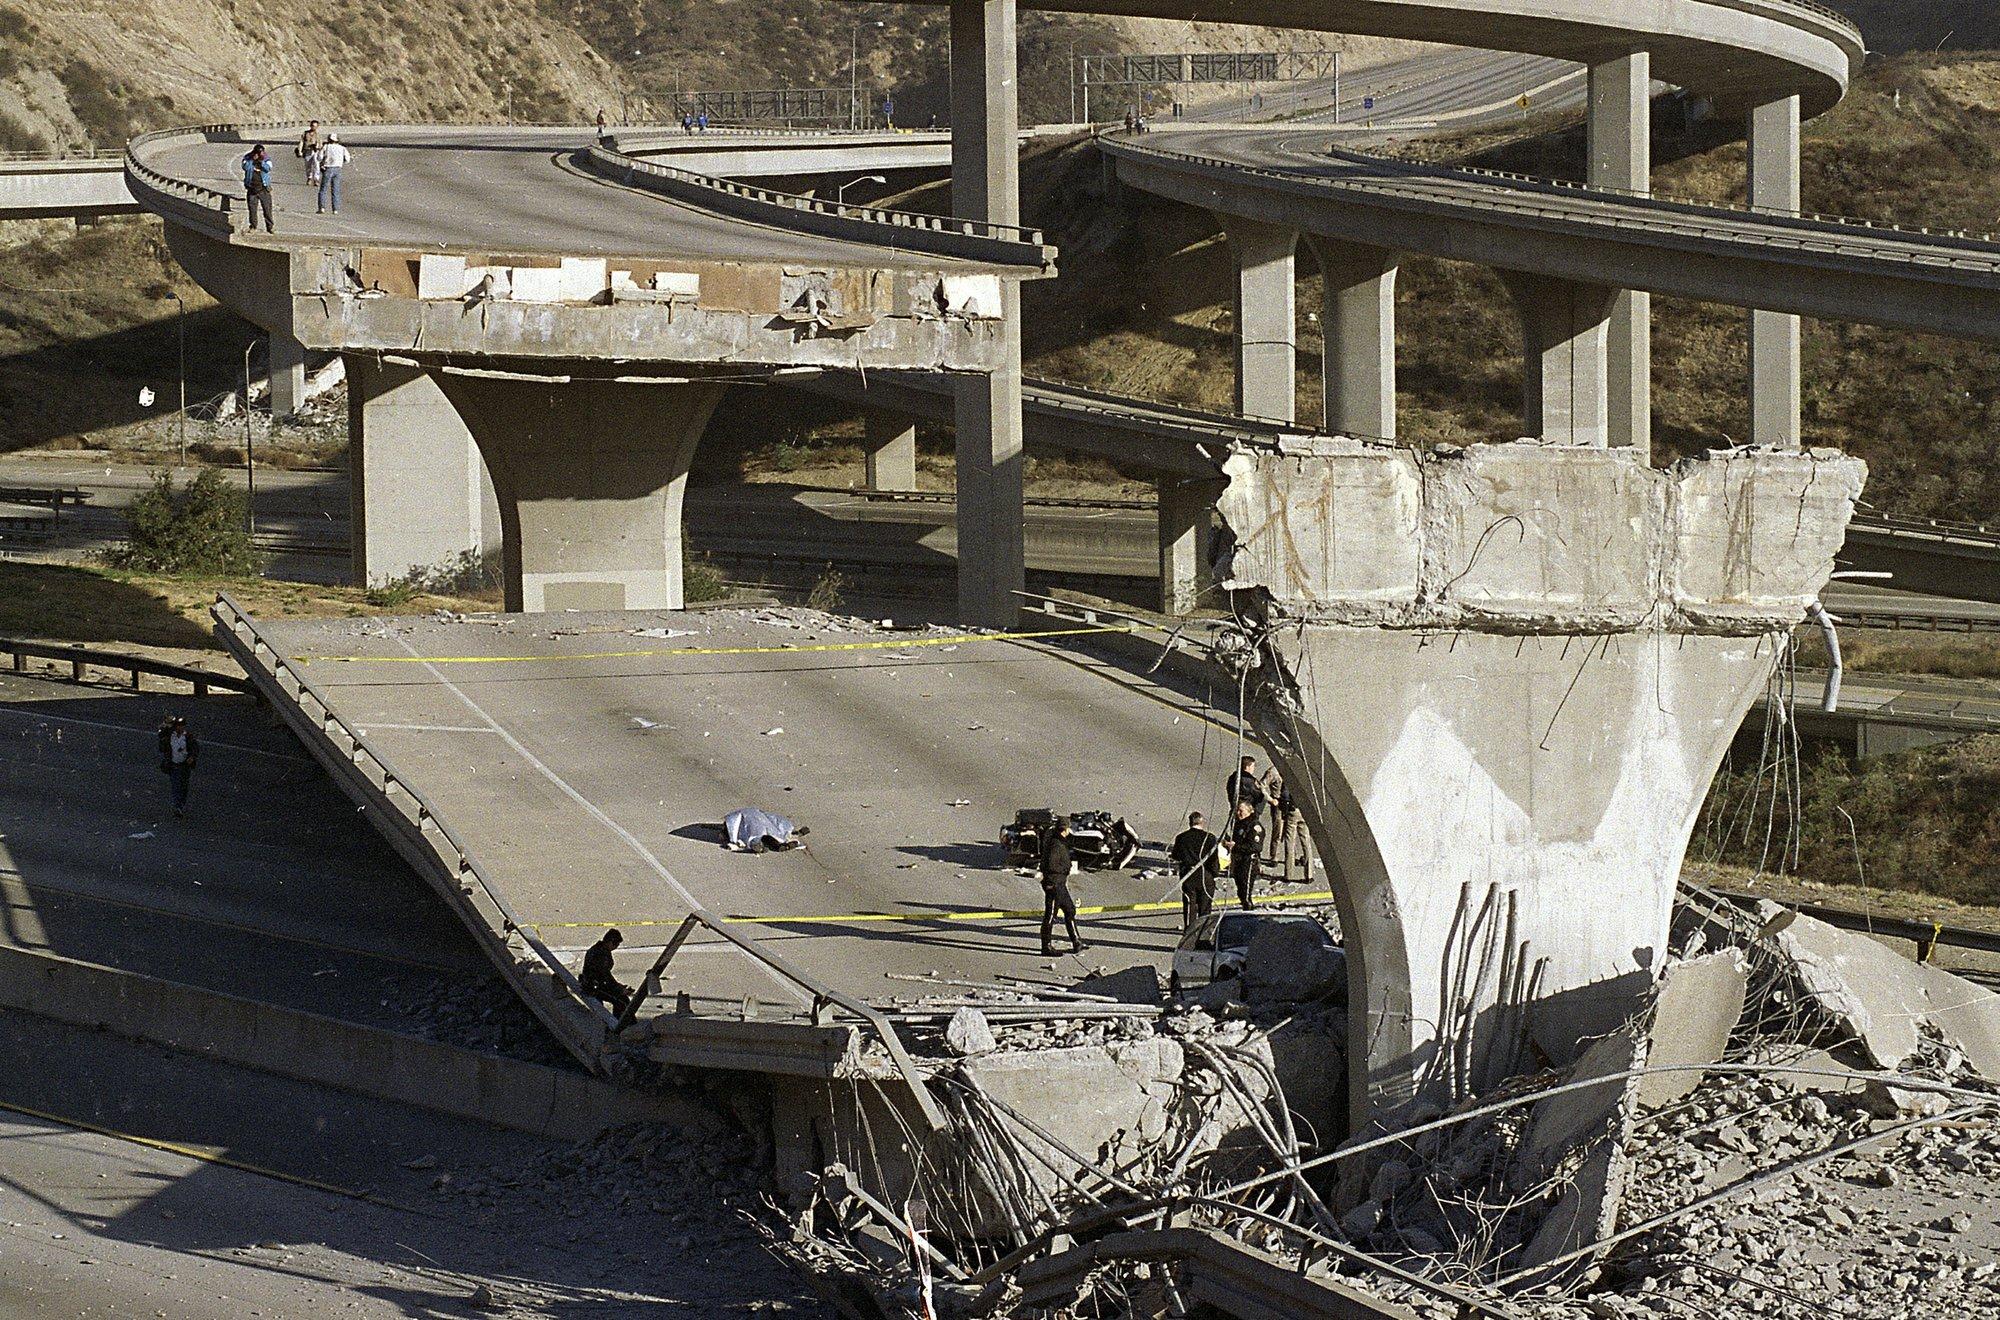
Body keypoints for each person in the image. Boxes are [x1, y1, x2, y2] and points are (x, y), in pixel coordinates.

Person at [1039, 817, 1087, 957]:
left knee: (1070, 910)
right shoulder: (1055, 844)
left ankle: (1077, 941)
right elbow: (1049, 865)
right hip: (1054, 883)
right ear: (1065, 829)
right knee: (1050, 915)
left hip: (1059, 883)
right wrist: (1064, 869)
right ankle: (1046, 947)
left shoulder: (1058, 841)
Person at [1170, 811, 1221, 929]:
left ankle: (1189, 931)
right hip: (1205, 874)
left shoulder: (1181, 837)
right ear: (1202, 823)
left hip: (1188, 874)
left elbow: (1176, 855)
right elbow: (1214, 859)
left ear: (1190, 823)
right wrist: (1214, 874)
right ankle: (1203, 931)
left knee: (1189, 906)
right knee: (1205, 906)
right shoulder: (1210, 838)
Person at [580, 928, 632, 1017]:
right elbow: (605, 975)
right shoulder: (600, 954)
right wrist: (619, 989)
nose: (616, 947)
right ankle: (617, 1025)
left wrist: (618, 986)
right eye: (616, 944)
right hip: (594, 987)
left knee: (622, 999)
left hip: (597, 983)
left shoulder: (601, 949)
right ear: (610, 942)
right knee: (622, 1001)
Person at [157, 715, 198, 816]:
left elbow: (195, 748)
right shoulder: (170, 735)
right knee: (176, 786)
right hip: (174, 765)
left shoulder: (188, 737)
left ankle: (181, 804)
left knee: (184, 786)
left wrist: (192, 757)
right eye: (178, 725)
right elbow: (161, 733)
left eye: (182, 726)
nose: (180, 728)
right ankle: (177, 806)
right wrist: (166, 723)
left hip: (184, 765)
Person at [1229, 799, 1265, 911]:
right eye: (1237, 811)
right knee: (1240, 891)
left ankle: (1249, 911)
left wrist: (1235, 846)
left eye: (1241, 811)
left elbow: (1256, 847)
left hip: (1249, 862)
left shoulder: (1254, 826)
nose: (1238, 813)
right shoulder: (1238, 824)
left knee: (1245, 892)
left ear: (1250, 811)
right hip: (1238, 861)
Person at [1225, 755, 1272, 823]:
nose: (1253, 769)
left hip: (1234, 807)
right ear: (1247, 767)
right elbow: (1259, 795)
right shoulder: (1248, 780)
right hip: (1246, 811)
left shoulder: (1233, 776)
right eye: (1252, 766)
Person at [240, 144, 274, 232]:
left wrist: (261, 162)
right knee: (252, 209)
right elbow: (245, 167)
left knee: (267, 209)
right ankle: (253, 226)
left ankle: (270, 227)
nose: (259, 155)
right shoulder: (247, 158)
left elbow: (268, 169)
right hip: (252, 188)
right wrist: (252, 160)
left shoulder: (266, 158)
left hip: (263, 188)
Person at [317, 132, 350, 214]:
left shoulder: (326, 147)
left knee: (323, 189)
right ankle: (335, 209)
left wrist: (323, 161)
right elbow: (347, 159)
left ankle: (322, 207)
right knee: (335, 189)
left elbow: (319, 157)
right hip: (338, 168)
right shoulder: (342, 148)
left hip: (328, 168)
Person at [296, 120, 323, 185]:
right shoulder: (305, 133)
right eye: (313, 126)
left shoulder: (318, 135)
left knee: (316, 165)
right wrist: (300, 151)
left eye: (316, 126)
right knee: (308, 165)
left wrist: (319, 149)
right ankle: (309, 178)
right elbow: (301, 142)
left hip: (315, 151)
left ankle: (316, 179)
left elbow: (320, 144)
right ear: (310, 126)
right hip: (307, 151)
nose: (314, 127)